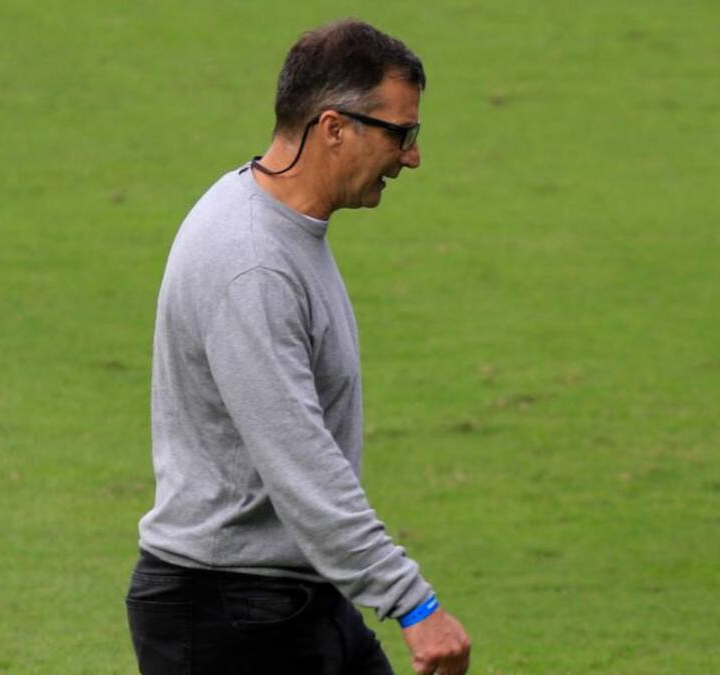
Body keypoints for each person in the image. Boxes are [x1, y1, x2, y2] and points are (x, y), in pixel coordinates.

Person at [127, 20, 470, 675]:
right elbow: (301, 464)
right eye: (402, 133)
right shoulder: (252, 261)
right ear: (334, 127)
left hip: (293, 593)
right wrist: (415, 605)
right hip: (229, 612)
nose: (413, 156)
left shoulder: (282, 228)